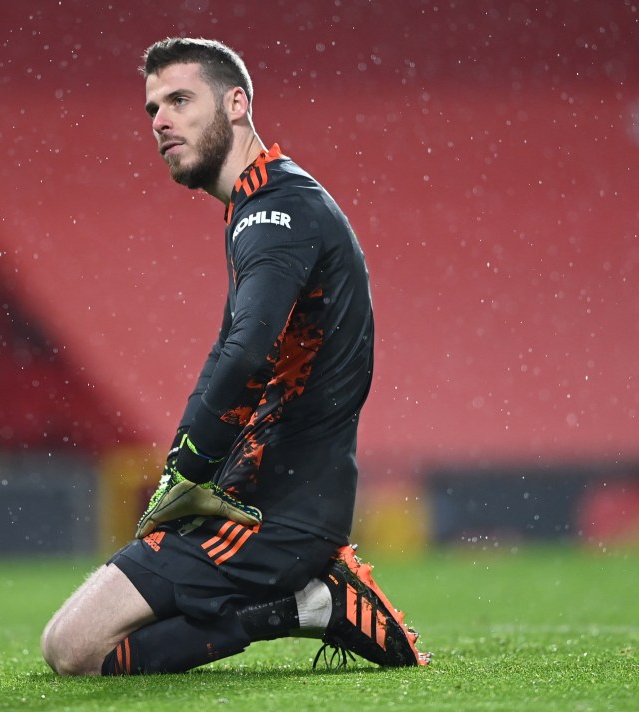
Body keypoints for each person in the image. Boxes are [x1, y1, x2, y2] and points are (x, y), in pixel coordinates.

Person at [41, 37, 429, 676]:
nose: (161, 120)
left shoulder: (275, 210)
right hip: (258, 494)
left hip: (271, 511)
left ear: (238, 104)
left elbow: (245, 350)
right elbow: (249, 352)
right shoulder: (266, 202)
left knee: (74, 653)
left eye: (180, 100)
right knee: (82, 640)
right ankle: (306, 597)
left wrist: (187, 463)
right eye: (152, 109)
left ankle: (307, 604)